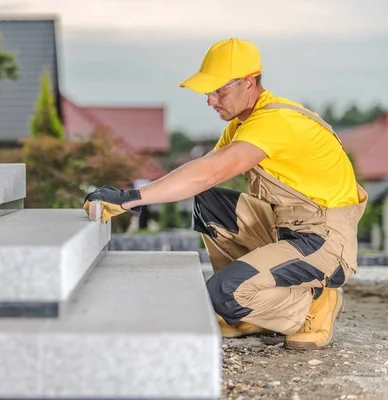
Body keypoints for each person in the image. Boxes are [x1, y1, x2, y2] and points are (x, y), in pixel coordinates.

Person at [83, 37, 368, 350]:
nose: (210, 100)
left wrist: (130, 198)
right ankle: (251, 309)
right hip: (287, 227)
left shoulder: (275, 122)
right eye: (208, 91)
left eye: (219, 90)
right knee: (209, 203)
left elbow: (212, 171)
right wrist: (136, 195)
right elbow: (202, 175)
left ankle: (314, 302)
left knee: (222, 293)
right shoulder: (242, 123)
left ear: (248, 83)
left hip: (324, 241)